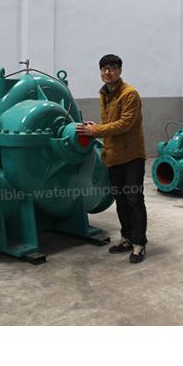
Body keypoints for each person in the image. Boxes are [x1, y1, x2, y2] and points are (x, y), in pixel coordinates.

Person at [76, 54, 148, 263]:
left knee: (134, 199)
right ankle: (127, 238)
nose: (108, 72)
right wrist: (95, 127)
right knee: (121, 200)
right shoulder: (104, 93)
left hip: (132, 156)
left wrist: (96, 131)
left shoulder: (129, 94)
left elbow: (125, 124)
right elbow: (110, 122)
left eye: (112, 68)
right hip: (114, 155)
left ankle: (139, 243)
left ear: (120, 70)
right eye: (104, 68)